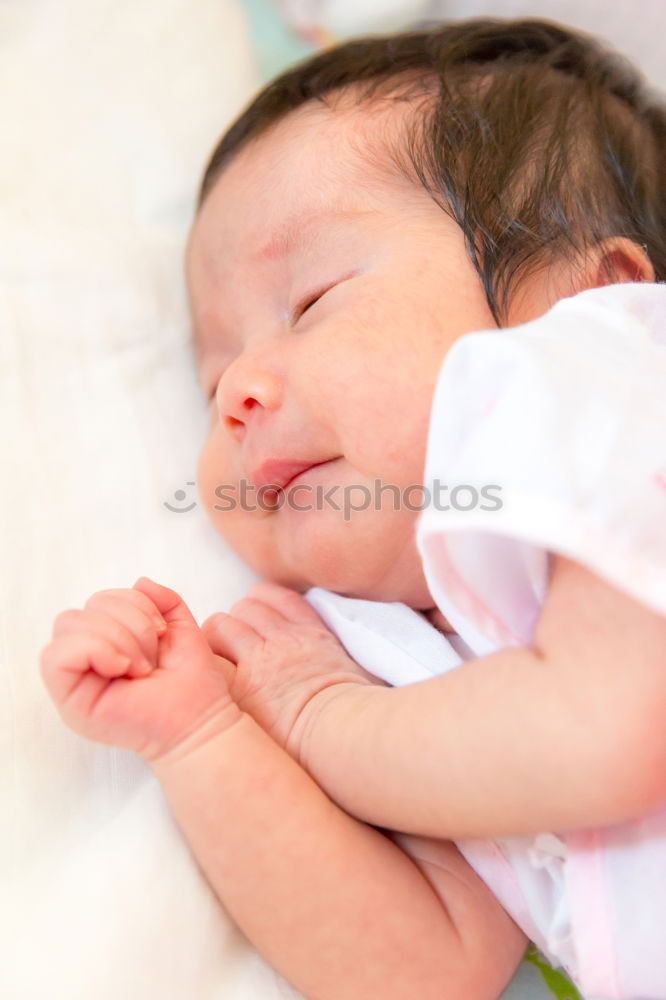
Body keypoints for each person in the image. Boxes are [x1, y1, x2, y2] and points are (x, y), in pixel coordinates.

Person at [39, 18, 666, 1000]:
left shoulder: (604, 381)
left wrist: (324, 716)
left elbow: (611, 731)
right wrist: (204, 737)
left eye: (314, 299)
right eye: (212, 388)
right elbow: (420, 969)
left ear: (594, 292)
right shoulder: (382, 643)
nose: (241, 387)